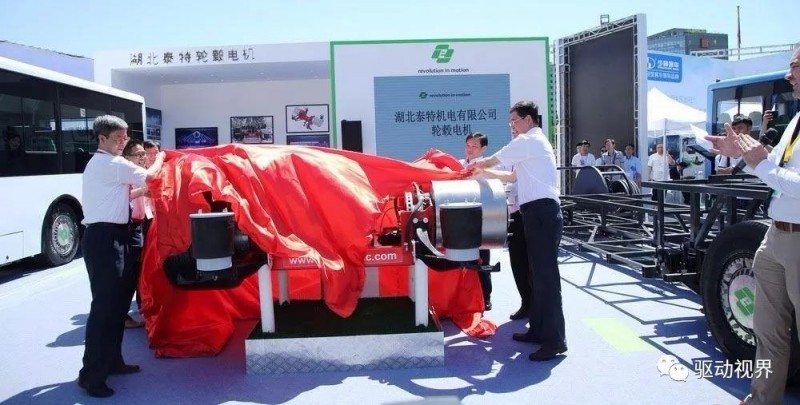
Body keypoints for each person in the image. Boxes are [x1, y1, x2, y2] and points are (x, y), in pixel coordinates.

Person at [708, 47, 800, 405]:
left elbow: (779, 174)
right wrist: (741, 154)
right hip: (776, 236)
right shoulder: (796, 119)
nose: (789, 75)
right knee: (767, 332)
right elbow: (774, 165)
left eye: (795, 67)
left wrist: (761, 164)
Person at [468, 100, 566, 361]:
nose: (511, 125)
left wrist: (477, 165)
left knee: (546, 279)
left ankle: (555, 340)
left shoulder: (528, 140)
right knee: (536, 277)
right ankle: (538, 330)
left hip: (542, 213)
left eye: (515, 120)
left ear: (528, 119)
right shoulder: (531, 145)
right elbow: (511, 177)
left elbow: (495, 158)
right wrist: (483, 172)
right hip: (534, 214)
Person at [78, 115, 165, 398]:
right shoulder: (110, 163)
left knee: (117, 306)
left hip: (117, 236)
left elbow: (125, 195)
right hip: (105, 239)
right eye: (118, 138)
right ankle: (91, 376)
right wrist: (161, 157)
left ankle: (112, 361)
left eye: (124, 137)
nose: (122, 142)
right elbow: (151, 175)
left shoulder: (109, 165)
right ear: (101, 138)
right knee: (105, 308)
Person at [458, 132, 493, 311]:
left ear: (483, 149)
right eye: (468, 146)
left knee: (482, 260)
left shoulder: (487, 167)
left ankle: (485, 297)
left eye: (474, 147)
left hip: (481, 219)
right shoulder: (458, 165)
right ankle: (463, 298)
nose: (470, 150)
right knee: (460, 260)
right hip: (460, 220)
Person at [122, 139, 149, 329]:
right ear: (127, 157)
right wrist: (143, 191)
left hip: (141, 225)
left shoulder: (139, 174)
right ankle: (122, 315)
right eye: (138, 154)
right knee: (129, 273)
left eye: (143, 154)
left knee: (138, 269)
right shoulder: (125, 174)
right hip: (129, 227)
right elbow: (124, 196)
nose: (142, 157)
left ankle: (142, 307)